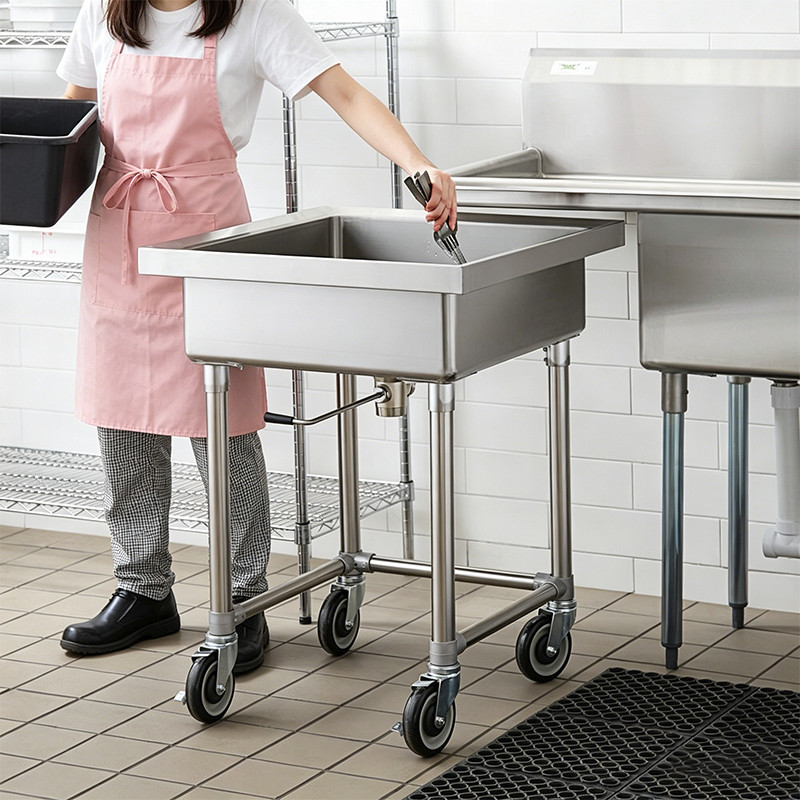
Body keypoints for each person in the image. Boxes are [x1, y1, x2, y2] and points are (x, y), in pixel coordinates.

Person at [56, 0, 457, 674]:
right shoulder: (104, 12)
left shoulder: (256, 14)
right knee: (119, 415)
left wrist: (420, 164)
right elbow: (69, 116)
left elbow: (345, 91)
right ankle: (143, 588)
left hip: (208, 237)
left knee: (224, 423)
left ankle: (244, 598)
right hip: (120, 227)